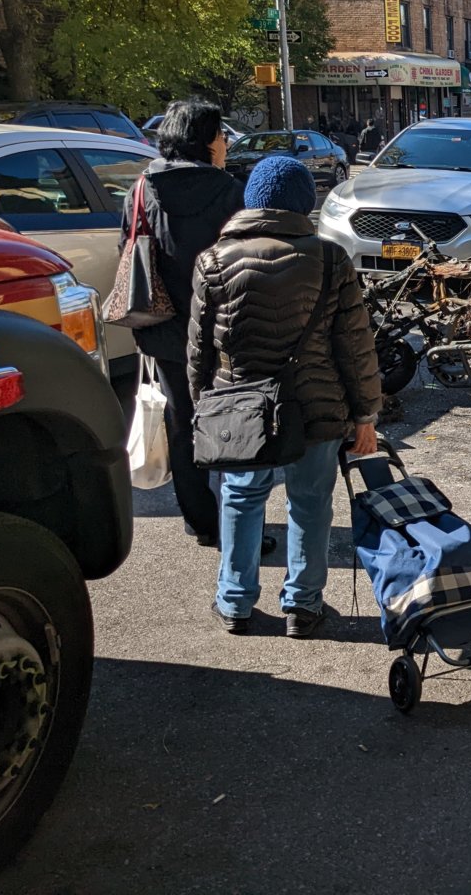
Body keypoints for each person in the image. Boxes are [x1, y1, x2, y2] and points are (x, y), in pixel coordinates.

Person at [190, 156, 382, 637]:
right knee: (311, 504)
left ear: (251, 202)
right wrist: (365, 415)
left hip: (241, 407)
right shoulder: (330, 258)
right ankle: (303, 605)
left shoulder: (212, 260)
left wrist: (202, 406)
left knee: (240, 498)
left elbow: (199, 350)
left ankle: (234, 602)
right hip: (316, 408)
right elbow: (354, 346)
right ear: (305, 204)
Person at [119, 99, 244, 547]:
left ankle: (200, 521)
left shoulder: (142, 188)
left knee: (181, 420)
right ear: (205, 140)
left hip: (164, 324)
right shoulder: (229, 190)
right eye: (220, 134)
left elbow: (127, 248)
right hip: (222, 326)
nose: (225, 143)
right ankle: (236, 524)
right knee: (232, 421)